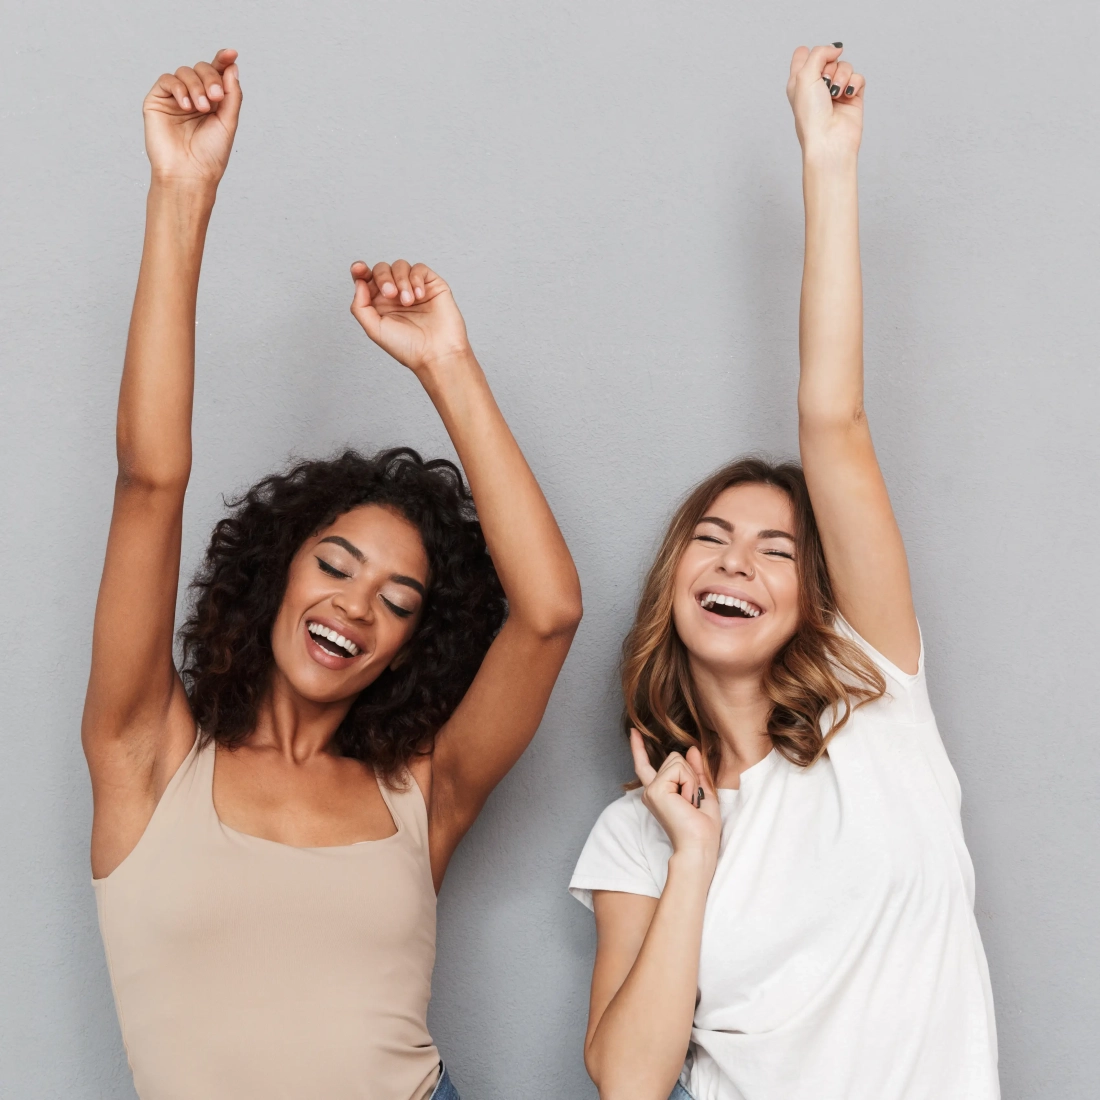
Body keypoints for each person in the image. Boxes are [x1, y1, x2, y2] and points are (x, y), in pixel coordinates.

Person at [83, 49, 582, 1100]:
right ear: (275, 572)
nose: (356, 605)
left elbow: (548, 612)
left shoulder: (420, 792)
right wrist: (183, 193)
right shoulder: (146, 755)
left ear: (411, 644)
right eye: (337, 564)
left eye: (398, 601)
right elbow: (148, 481)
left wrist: (445, 359)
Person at [570, 44, 999, 1100]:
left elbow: (830, 420)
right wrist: (694, 851)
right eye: (711, 538)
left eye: (777, 551)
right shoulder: (638, 829)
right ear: (675, 580)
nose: (736, 561)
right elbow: (627, 1080)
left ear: (816, 599)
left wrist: (827, 160)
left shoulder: (878, 695)